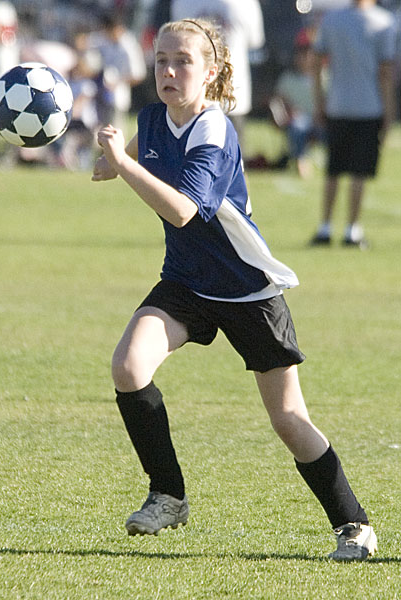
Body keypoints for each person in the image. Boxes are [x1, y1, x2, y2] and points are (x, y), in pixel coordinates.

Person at [92, 18, 376, 561]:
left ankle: (354, 524)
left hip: (247, 291)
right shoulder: (151, 119)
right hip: (185, 283)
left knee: (288, 419)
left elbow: (182, 210)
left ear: (211, 71)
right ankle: (168, 494)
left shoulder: (215, 130)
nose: (168, 71)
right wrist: (107, 160)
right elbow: (132, 155)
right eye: (161, 61)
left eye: (183, 61)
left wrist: (123, 165)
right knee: (128, 367)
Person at [310, 0, 397, 248]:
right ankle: (352, 229)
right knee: (359, 171)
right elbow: (385, 72)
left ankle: (325, 226)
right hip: (368, 107)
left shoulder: (331, 20)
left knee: (333, 170)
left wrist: (319, 100)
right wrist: (389, 112)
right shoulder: (384, 21)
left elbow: (316, 63)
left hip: (337, 105)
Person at [170, 0, 264, 156]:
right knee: (226, 159)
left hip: (209, 92)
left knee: (194, 156)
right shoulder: (246, 3)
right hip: (226, 91)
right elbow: (255, 42)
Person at [273, 29, 324, 178]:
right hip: (297, 120)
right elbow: (278, 102)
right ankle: (301, 160)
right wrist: (286, 115)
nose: (306, 57)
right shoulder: (287, 79)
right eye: (302, 53)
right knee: (298, 126)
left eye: (310, 53)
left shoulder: (326, 77)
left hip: (320, 121)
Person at [87, 10, 146, 131]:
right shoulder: (103, 41)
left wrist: (117, 82)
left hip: (117, 97)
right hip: (98, 95)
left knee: (114, 131)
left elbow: (138, 74)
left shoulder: (128, 46)